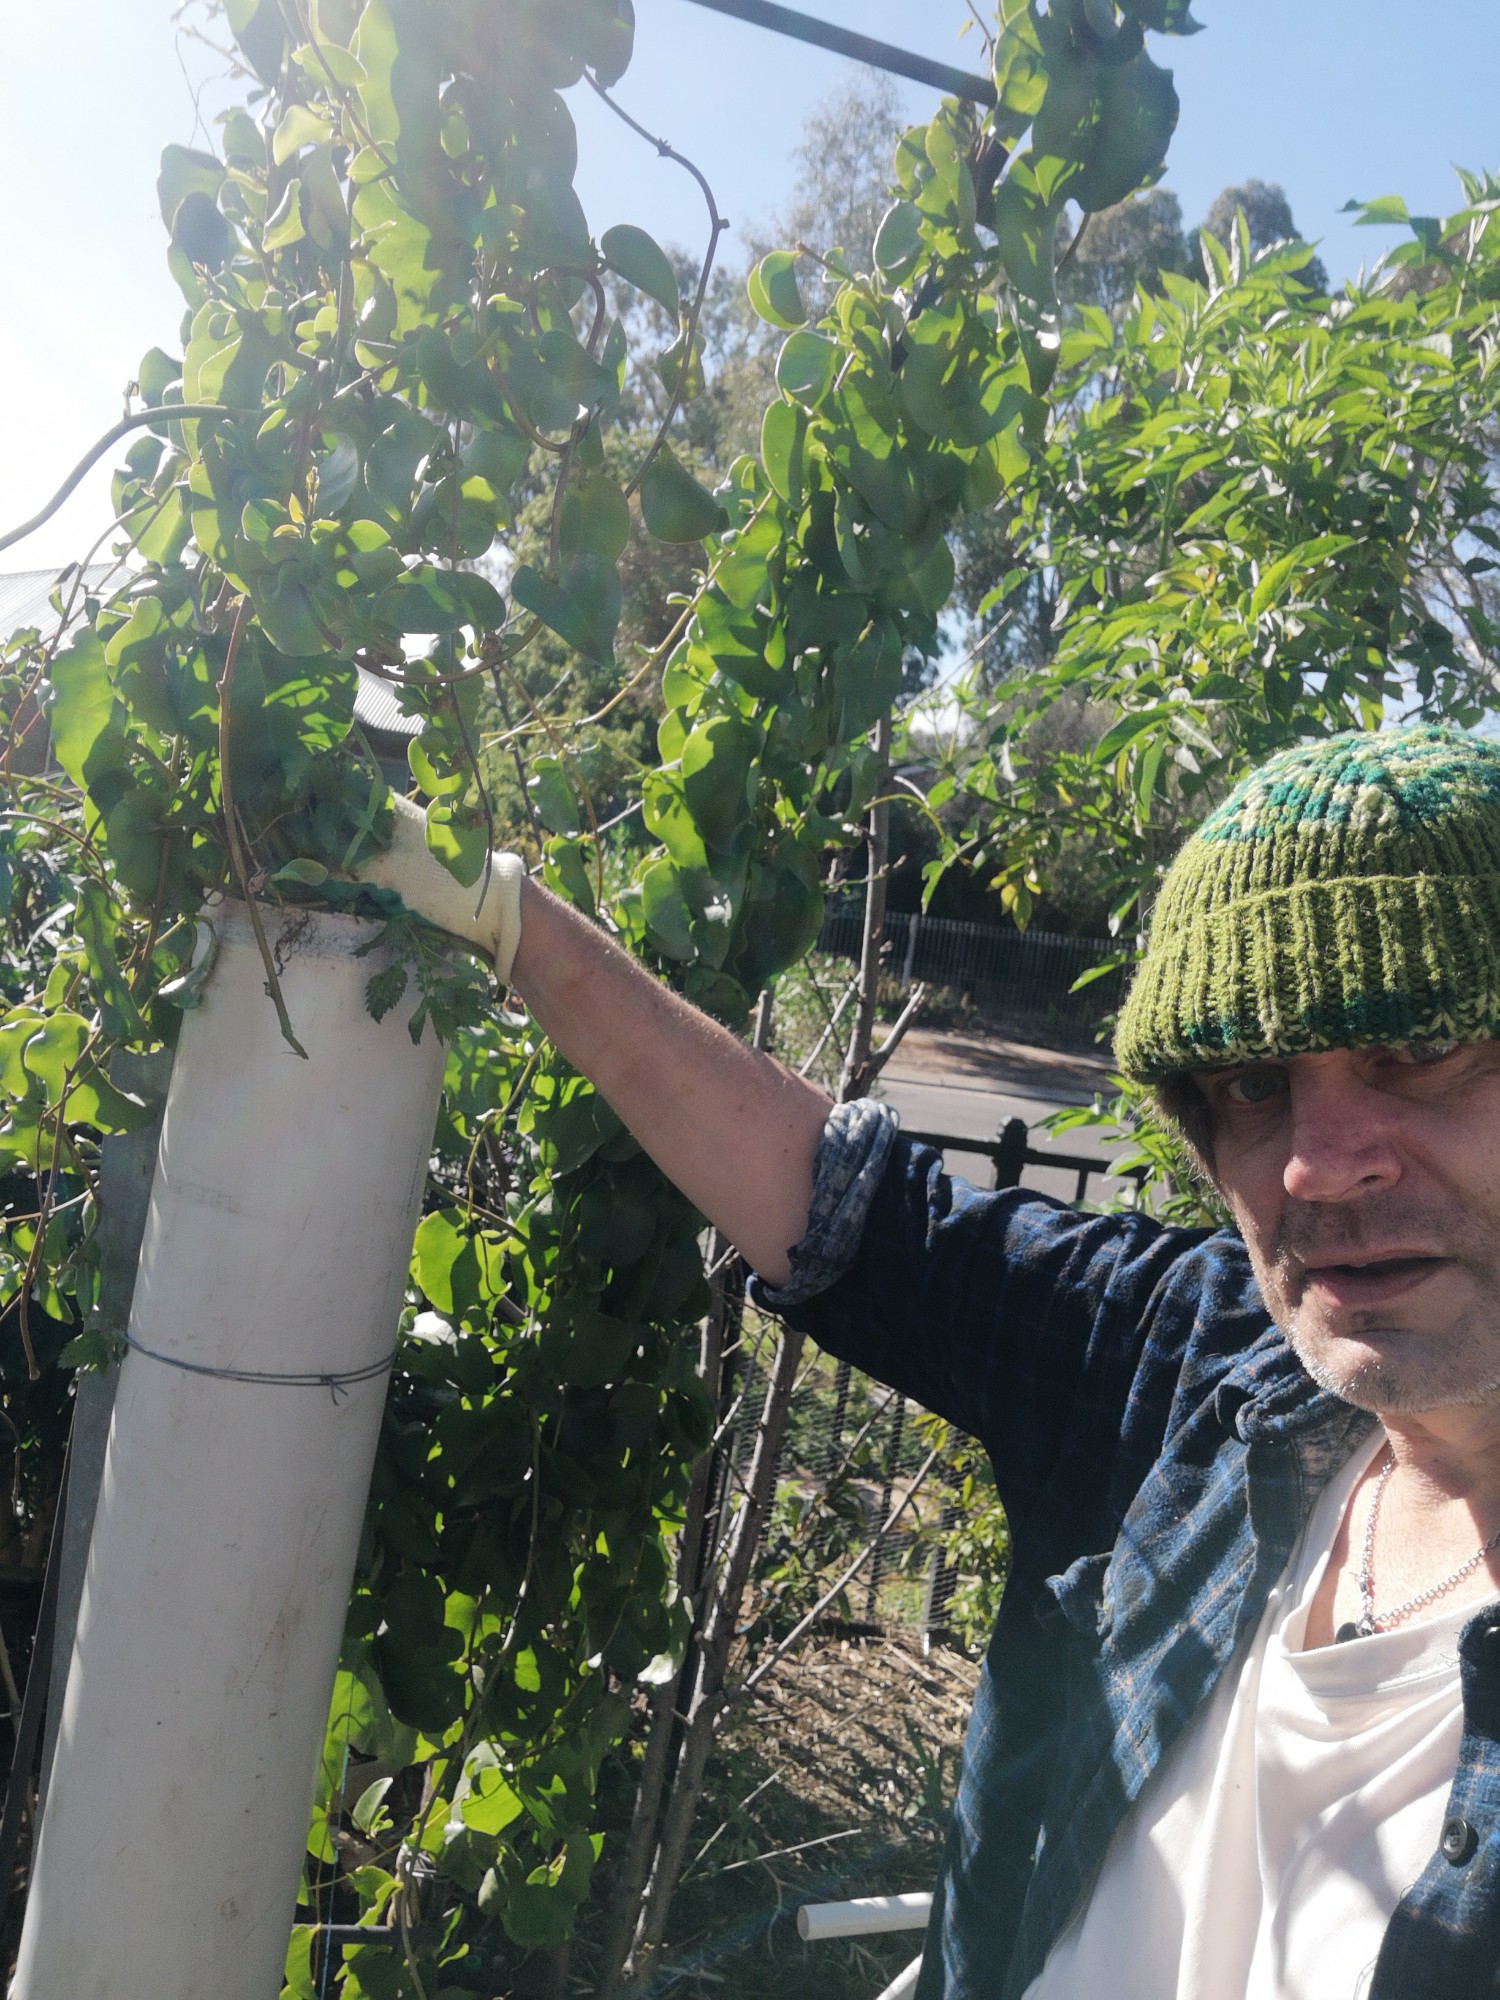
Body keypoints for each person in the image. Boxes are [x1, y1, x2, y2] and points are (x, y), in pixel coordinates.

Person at [367, 722, 1500, 2000]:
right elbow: (860, 1215)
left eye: (1419, 1053)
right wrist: (507, 918)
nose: (1316, 1160)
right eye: (1250, 1082)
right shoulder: (1193, 1374)